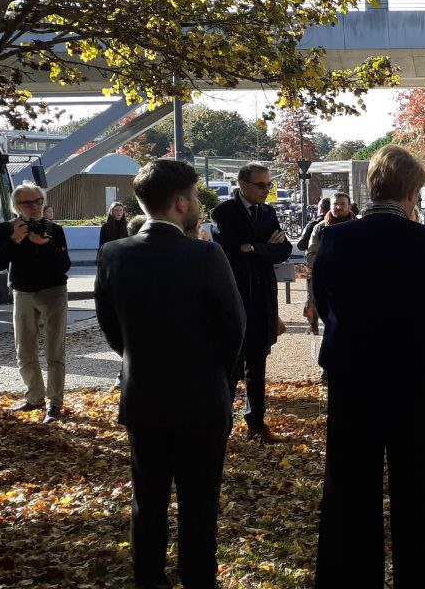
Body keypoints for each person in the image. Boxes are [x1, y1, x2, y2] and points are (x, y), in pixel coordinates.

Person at [312, 144, 425, 588]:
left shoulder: (338, 238)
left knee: (349, 489)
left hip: (353, 377)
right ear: (412, 191)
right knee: (418, 490)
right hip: (411, 378)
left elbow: (324, 299)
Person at [94, 159, 245, 589]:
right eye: (196, 197)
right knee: (200, 503)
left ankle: (149, 580)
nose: (198, 204)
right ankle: (199, 580)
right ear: (180, 203)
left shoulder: (112, 254)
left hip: (143, 396)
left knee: (148, 500)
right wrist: (224, 380)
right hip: (201, 398)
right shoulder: (205, 253)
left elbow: (111, 327)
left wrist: (141, 360)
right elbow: (233, 326)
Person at [212, 162, 292, 444]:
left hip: (262, 300)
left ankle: (256, 423)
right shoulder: (223, 213)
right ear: (243, 184)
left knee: (257, 366)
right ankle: (221, 425)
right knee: (231, 367)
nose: (266, 190)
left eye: (269, 185)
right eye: (261, 185)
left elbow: (284, 249)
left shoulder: (267, 211)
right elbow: (232, 254)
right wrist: (264, 248)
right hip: (236, 299)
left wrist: (255, 247)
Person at [0, 183, 71, 423]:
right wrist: (15, 240)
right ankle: (34, 397)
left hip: (54, 292)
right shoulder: (6, 229)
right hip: (23, 293)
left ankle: (54, 404)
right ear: (17, 206)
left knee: (54, 352)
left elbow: (64, 265)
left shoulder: (54, 229)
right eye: (28, 203)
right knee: (25, 350)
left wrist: (45, 245)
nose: (35, 207)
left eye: (38, 201)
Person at [304, 192, 355, 332]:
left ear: (349, 206)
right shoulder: (320, 228)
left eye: (342, 204)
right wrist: (331, 264)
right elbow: (311, 256)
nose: (338, 207)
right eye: (335, 204)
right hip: (328, 283)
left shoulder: (360, 228)